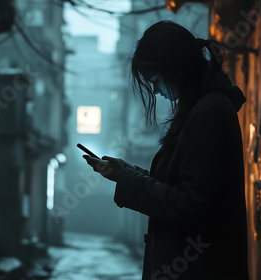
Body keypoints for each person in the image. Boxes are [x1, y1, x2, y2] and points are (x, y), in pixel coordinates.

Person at [83, 20, 249, 280]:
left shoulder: (207, 112)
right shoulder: (201, 109)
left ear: (174, 66)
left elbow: (191, 205)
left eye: (155, 79)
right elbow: (183, 188)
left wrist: (127, 179)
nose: (156, 90)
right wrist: (127, 172)